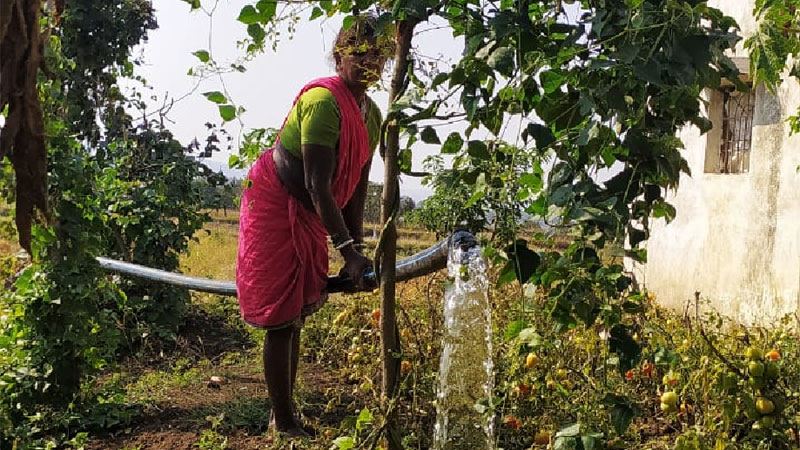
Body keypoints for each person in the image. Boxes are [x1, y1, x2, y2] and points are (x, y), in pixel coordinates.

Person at [236, 15, 392, 437]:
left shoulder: (372, 114)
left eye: (377, 55)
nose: (368, 62)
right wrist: (346, 251)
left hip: (311, 213)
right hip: (277, 202)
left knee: (296, 314)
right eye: (358, 54)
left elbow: (357, 184)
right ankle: (285, 421)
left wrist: (355, 249)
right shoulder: (324, 102)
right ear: (339, 57)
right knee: (280, 319)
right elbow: (316, 183)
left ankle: (282, 413)